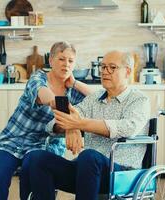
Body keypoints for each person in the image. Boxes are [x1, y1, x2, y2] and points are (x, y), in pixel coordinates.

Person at [27, 50, 151, 200]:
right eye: (103, 67)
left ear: (127, 72)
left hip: (122, 172)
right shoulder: (94, 98)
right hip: (87, 170)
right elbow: (53, 124)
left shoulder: (139, 100)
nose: (105, 72)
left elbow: (128, 128)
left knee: (89, 156)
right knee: (36, 158)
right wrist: (71, 127)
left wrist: (80, 123)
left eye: (112, 67)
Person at [0, 41, 92, 200]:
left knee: (31, 178)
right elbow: (49, 98)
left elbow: (98, 99)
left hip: (45, 143)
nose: (66, 65)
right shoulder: (38, 78)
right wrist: (72, 127)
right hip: (14, 137)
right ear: (51, 60)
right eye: (61, 59)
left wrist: (75, 83)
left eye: (70, 61)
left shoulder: (73, 91)